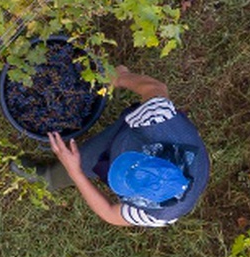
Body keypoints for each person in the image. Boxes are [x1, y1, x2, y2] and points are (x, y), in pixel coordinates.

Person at [23, 65, 209, 229]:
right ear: (149, 155)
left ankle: (48, 178)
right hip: (129, 135)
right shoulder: (158, 120)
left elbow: (110, 213)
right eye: (125, 165)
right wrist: (121, 77)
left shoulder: (160, 215)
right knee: (109, 139)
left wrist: (76, 172)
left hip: (126, 144)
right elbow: (155, 88)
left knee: (84, 163)